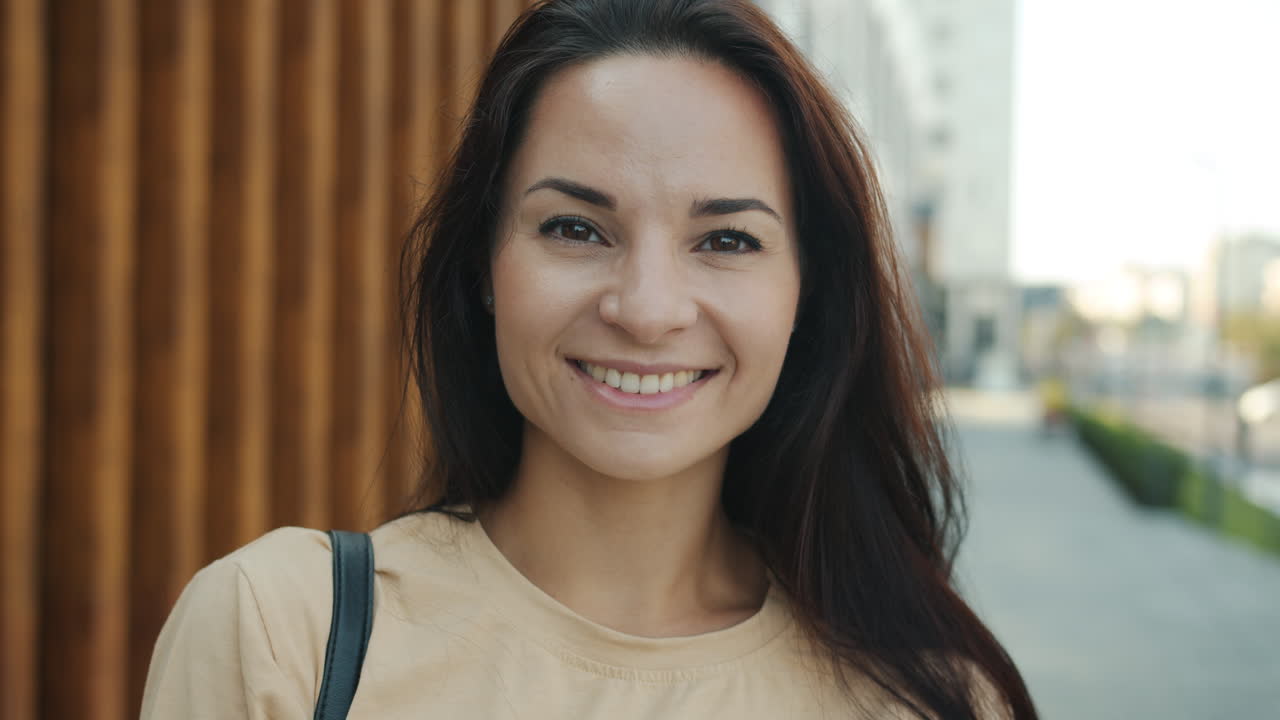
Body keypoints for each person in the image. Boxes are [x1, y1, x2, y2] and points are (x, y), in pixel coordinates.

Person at [141, 1, 1037, 718]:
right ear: (485, 265)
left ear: (809, 292)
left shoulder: (925, 700)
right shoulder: (284, 636)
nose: (645, 311)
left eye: (726, 239)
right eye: (575, 228)